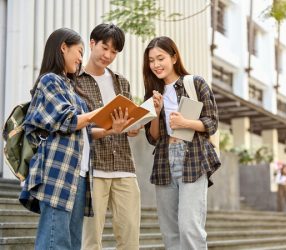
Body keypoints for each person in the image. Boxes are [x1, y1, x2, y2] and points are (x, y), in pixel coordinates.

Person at [19, 28, 129, 250]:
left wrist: (112, 129)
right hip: (58, 171)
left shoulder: (69, 86)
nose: (80, 59)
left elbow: (83, 131)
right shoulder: (50, 81)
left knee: (71, 243)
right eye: (78, 52)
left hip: (79, 174)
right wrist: (102, 112)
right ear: (63, 48)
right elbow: (67, 119)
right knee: (55, 240)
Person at [143, 36, 221, 249]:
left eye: (161, 58)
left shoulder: (194, 83)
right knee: (170, 234)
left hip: (192, 158)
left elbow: (212, 123)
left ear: (174, 57)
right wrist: (156, 112)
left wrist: (185, 122)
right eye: (151, 60)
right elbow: (153, 138)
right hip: (164, 162)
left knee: (189, 228)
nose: (156, 65)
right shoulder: (153, 94)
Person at [75, 23, 141, 250]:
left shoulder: (121, 82)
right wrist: (109, 130)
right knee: (90, 240)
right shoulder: (74, 81)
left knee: (130, 239)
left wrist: (133, 126)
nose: (108, 55)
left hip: (124, 167)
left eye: (114, 52)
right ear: (92, 43)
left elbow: (127, 124)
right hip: (92, 169)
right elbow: (77, 128)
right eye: (105, 48)